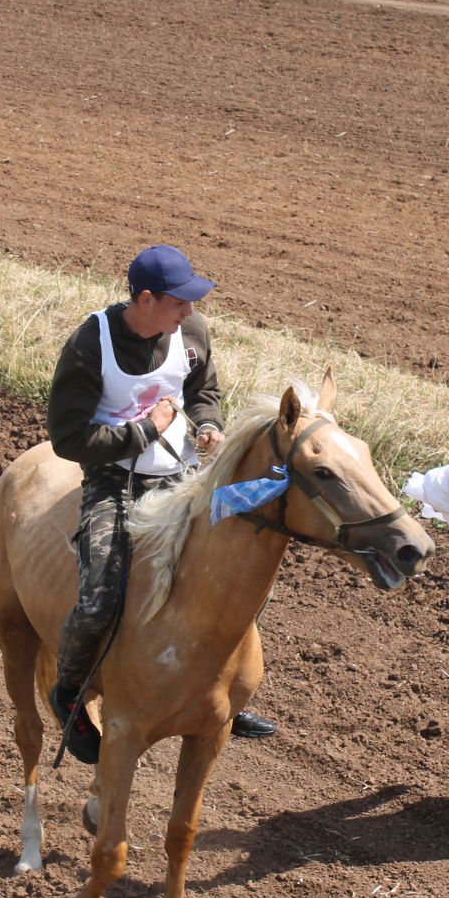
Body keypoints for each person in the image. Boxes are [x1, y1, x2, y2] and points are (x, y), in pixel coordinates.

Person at [45, 245, 278, 764]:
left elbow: (204, 391)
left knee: (234, 570)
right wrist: (146, 431)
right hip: (112, 482)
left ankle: (220, 694)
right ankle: (69, 692)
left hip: (184, 476)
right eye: (179, 302)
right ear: (146, 300)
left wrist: (211, 426)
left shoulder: (189, 335)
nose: (189, 312)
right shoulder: (91, 343)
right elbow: (67, 438)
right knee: (100, 595)